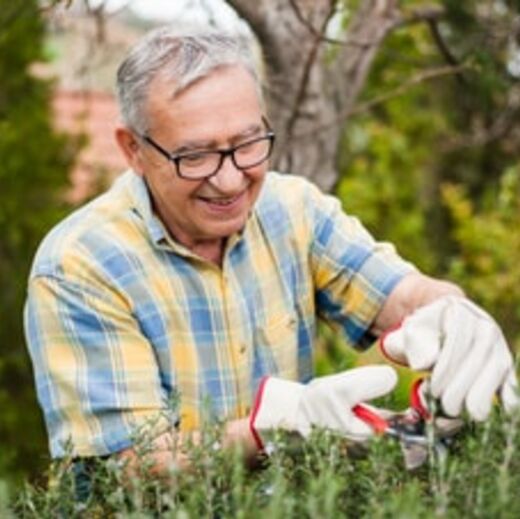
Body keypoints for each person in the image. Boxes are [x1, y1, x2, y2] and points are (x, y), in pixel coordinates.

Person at [25, 24, 518, 478]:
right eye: (195, 156)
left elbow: (401, 295)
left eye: (247, 143)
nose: (230, 178)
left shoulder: (293, 210)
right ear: (132, 149)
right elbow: (127, 466)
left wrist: (451, 314)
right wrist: (272, 428)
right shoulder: (80, 265)